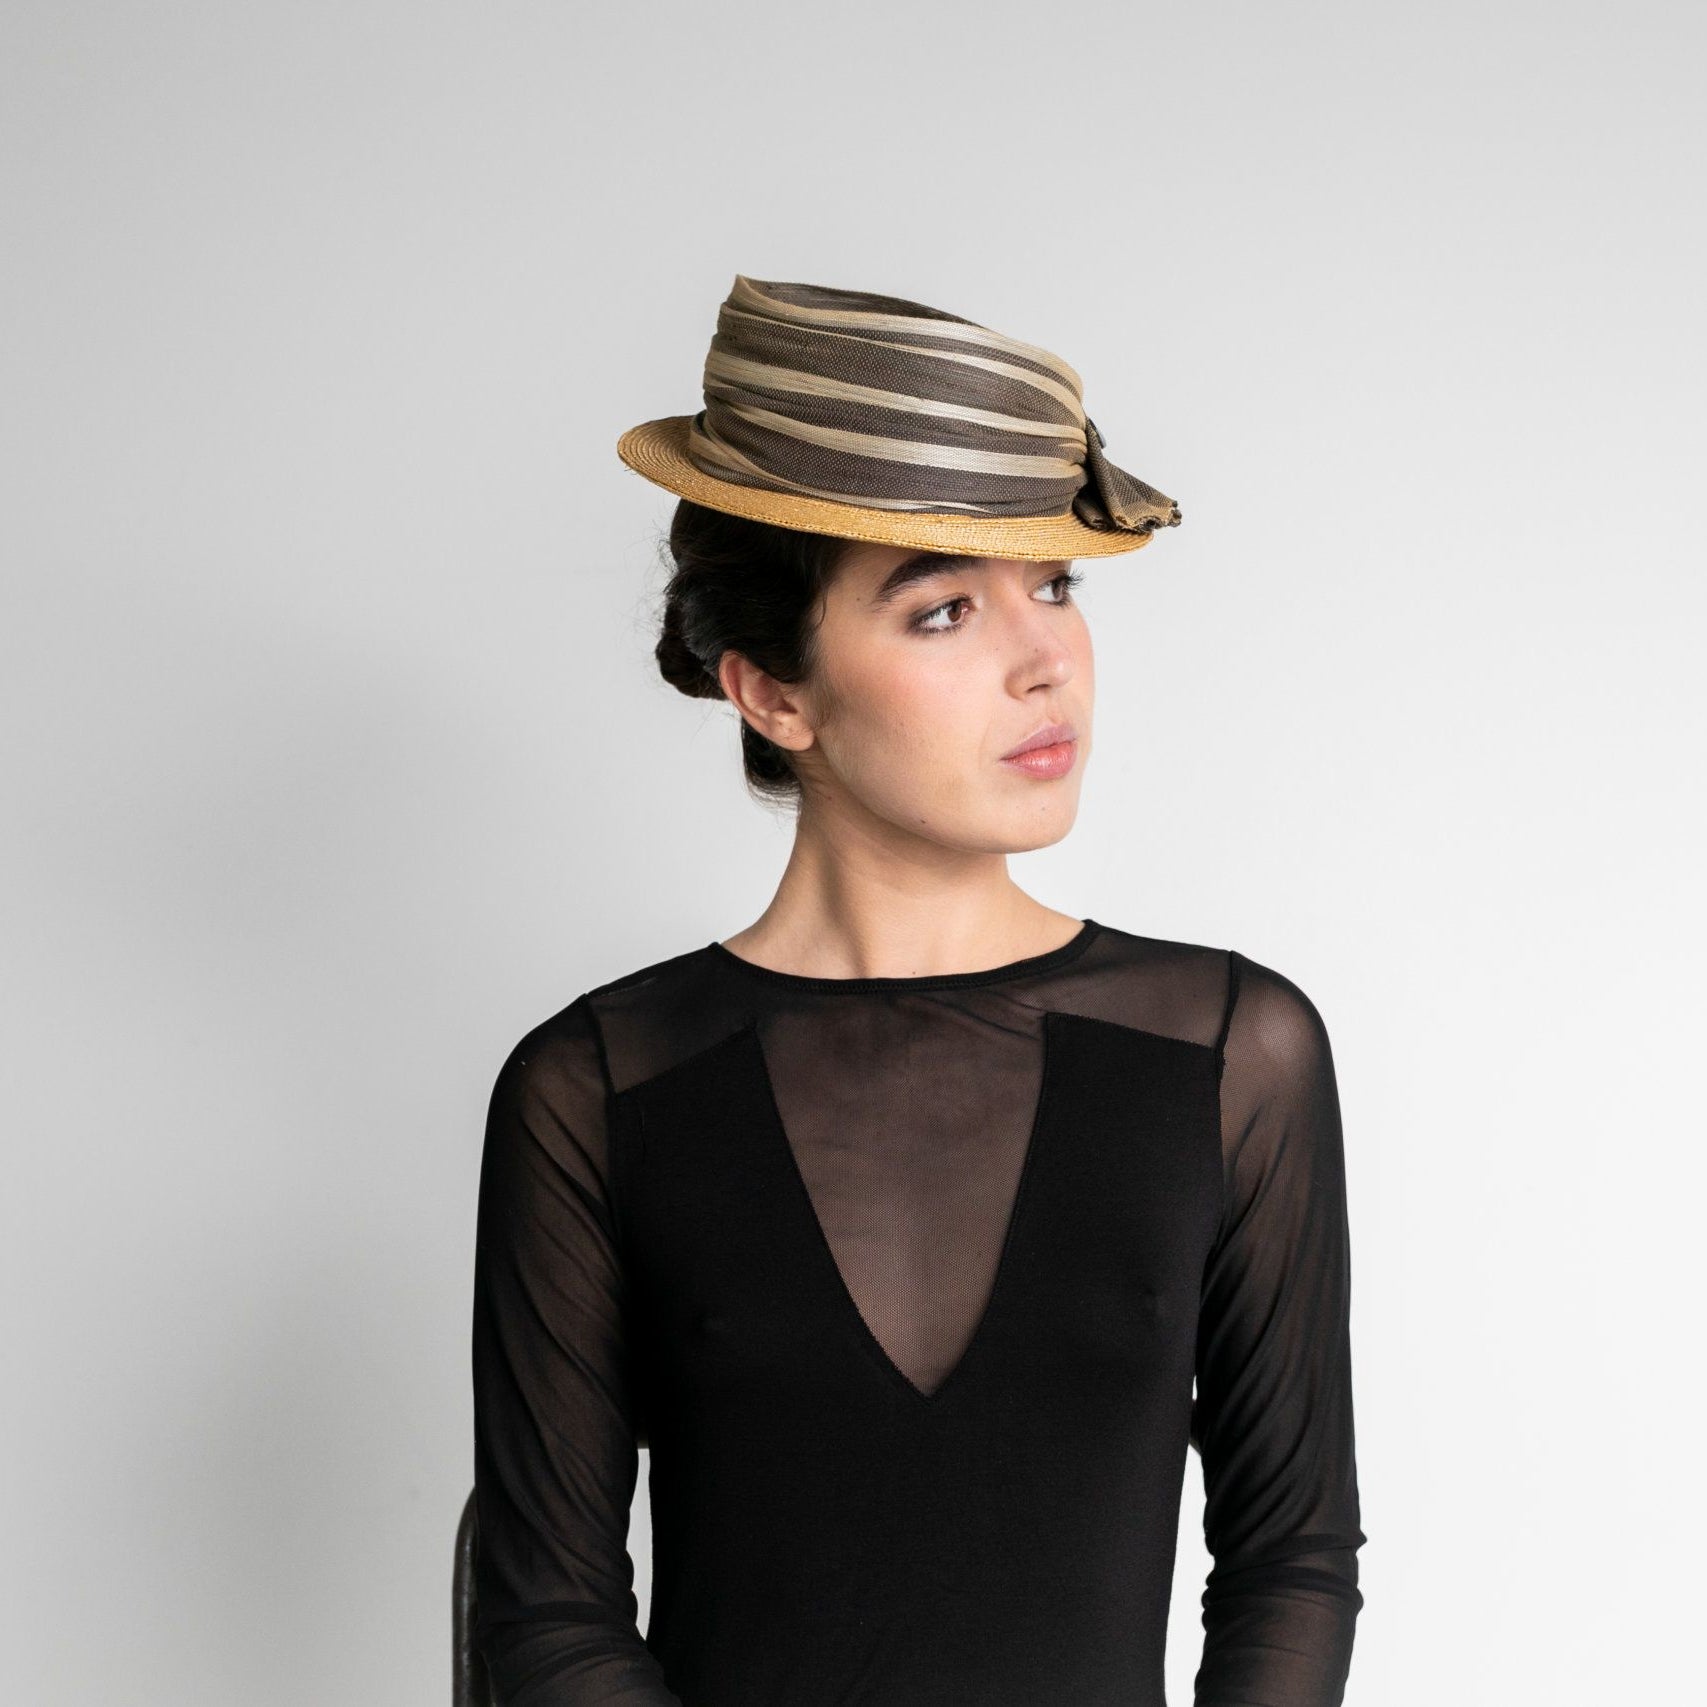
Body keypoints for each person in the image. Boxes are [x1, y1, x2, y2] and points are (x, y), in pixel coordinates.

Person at [469, 275, 1367, 1706]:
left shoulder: (1230, 1052)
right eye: (945, 609)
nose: (1046, 660)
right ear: (773, 690)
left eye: (1055, 585)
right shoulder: (600, 1087)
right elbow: (548, 1616)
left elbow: (1292, 1559)